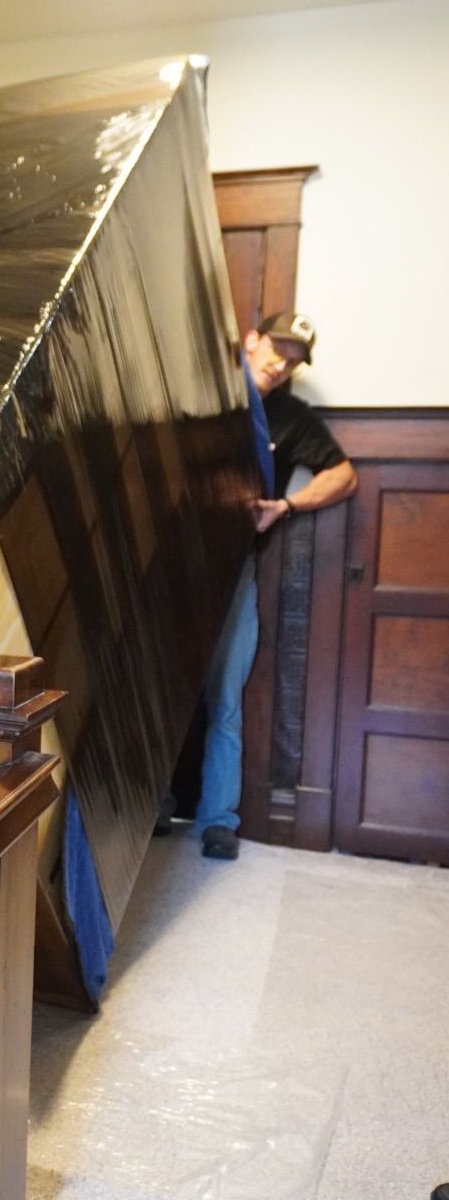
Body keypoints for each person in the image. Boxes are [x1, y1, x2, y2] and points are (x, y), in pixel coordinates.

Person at [198, 311, 358, 860]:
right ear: (251, 339)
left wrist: (286, 505)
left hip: (235, 573)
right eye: (276, 349)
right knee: (153, 691)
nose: (280, 363)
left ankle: (218, 821)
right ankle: (139, 811)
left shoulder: (290, 416)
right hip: (164, 571)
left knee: (226, 699)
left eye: (293, 359)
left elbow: (344, 475)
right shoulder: (198, 385)